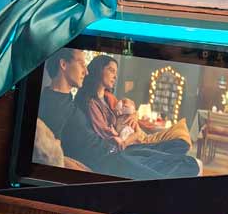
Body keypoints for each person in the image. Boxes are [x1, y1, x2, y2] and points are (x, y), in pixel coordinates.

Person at [63, 53, 200, 180]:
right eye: (111, 70)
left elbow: (127, 108)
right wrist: (130, 138)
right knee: (186, 163)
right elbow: (107, 135)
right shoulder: (90, 102)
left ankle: (169, 164)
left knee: (180, 146)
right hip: (122, 148)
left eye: (116, 72)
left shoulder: (108, 97)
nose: (115, 76)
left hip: (127, 143)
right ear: (99, 70)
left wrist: (134, 115)